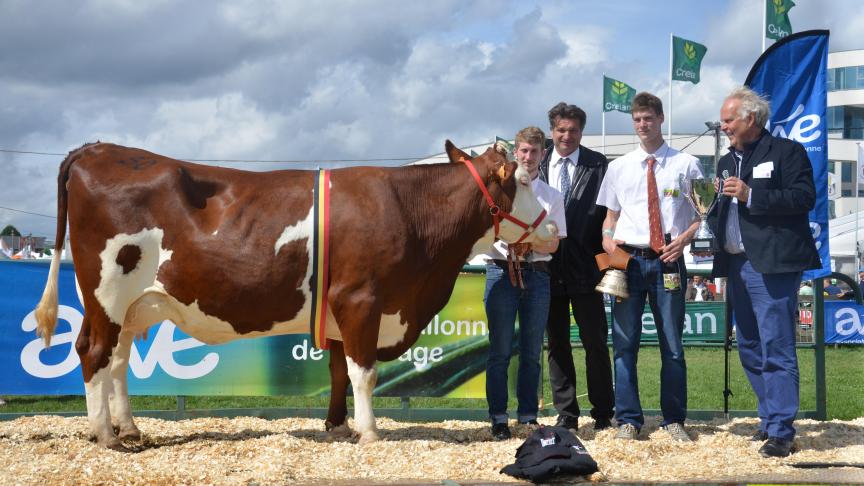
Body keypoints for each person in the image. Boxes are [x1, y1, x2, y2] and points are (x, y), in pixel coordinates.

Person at [706, 86, 821, 458]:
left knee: (777, 346)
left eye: (728, 120)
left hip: (772, 265)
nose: (723, 126)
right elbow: (723, 211)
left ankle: (782, 431)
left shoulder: (787, 152)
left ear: (750, 119)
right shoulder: (725, 162)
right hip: (736, 263)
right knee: (750, 347)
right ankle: (769, 418)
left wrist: (751, 195)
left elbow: (804, 198)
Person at [596, 91, 702, 442]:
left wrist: (684, 239)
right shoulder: (618, 167)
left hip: (668, 261)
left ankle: (674, 420)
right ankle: (628, 419)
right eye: (637, 119)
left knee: (672, 344)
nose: (643, 125)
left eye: (649, 118)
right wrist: (608, 241)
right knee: (625, 344)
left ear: (661, 119)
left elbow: (702, 217)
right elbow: (610, 217)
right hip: (628, 262)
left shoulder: (687, 164)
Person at [482, 126, 566, 440]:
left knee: (532, 351)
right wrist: (535, 237)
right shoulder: (500, 189)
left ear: (543, 154)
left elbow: (554, 245)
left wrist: (522, 239)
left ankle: (528, 416)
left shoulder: (552, 196)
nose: (529, 157)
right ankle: (498, 417)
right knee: (500, 350)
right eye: (524, 151)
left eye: (535, 151)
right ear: (515, 153)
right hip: (501, 270)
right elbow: (492, 232)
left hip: (538, 275)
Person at [538, 102, 615, 432]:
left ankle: (602, 413)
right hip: (547, 269)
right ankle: (567, 414)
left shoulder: (599, 165)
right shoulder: (536, 163)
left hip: (588, 270)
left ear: (581, 132)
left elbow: (609, 216)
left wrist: (607, 265)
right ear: (552, 131)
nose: (566, 136)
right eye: (560, 129)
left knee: (595, 343)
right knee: (556, 344)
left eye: (573, 130)